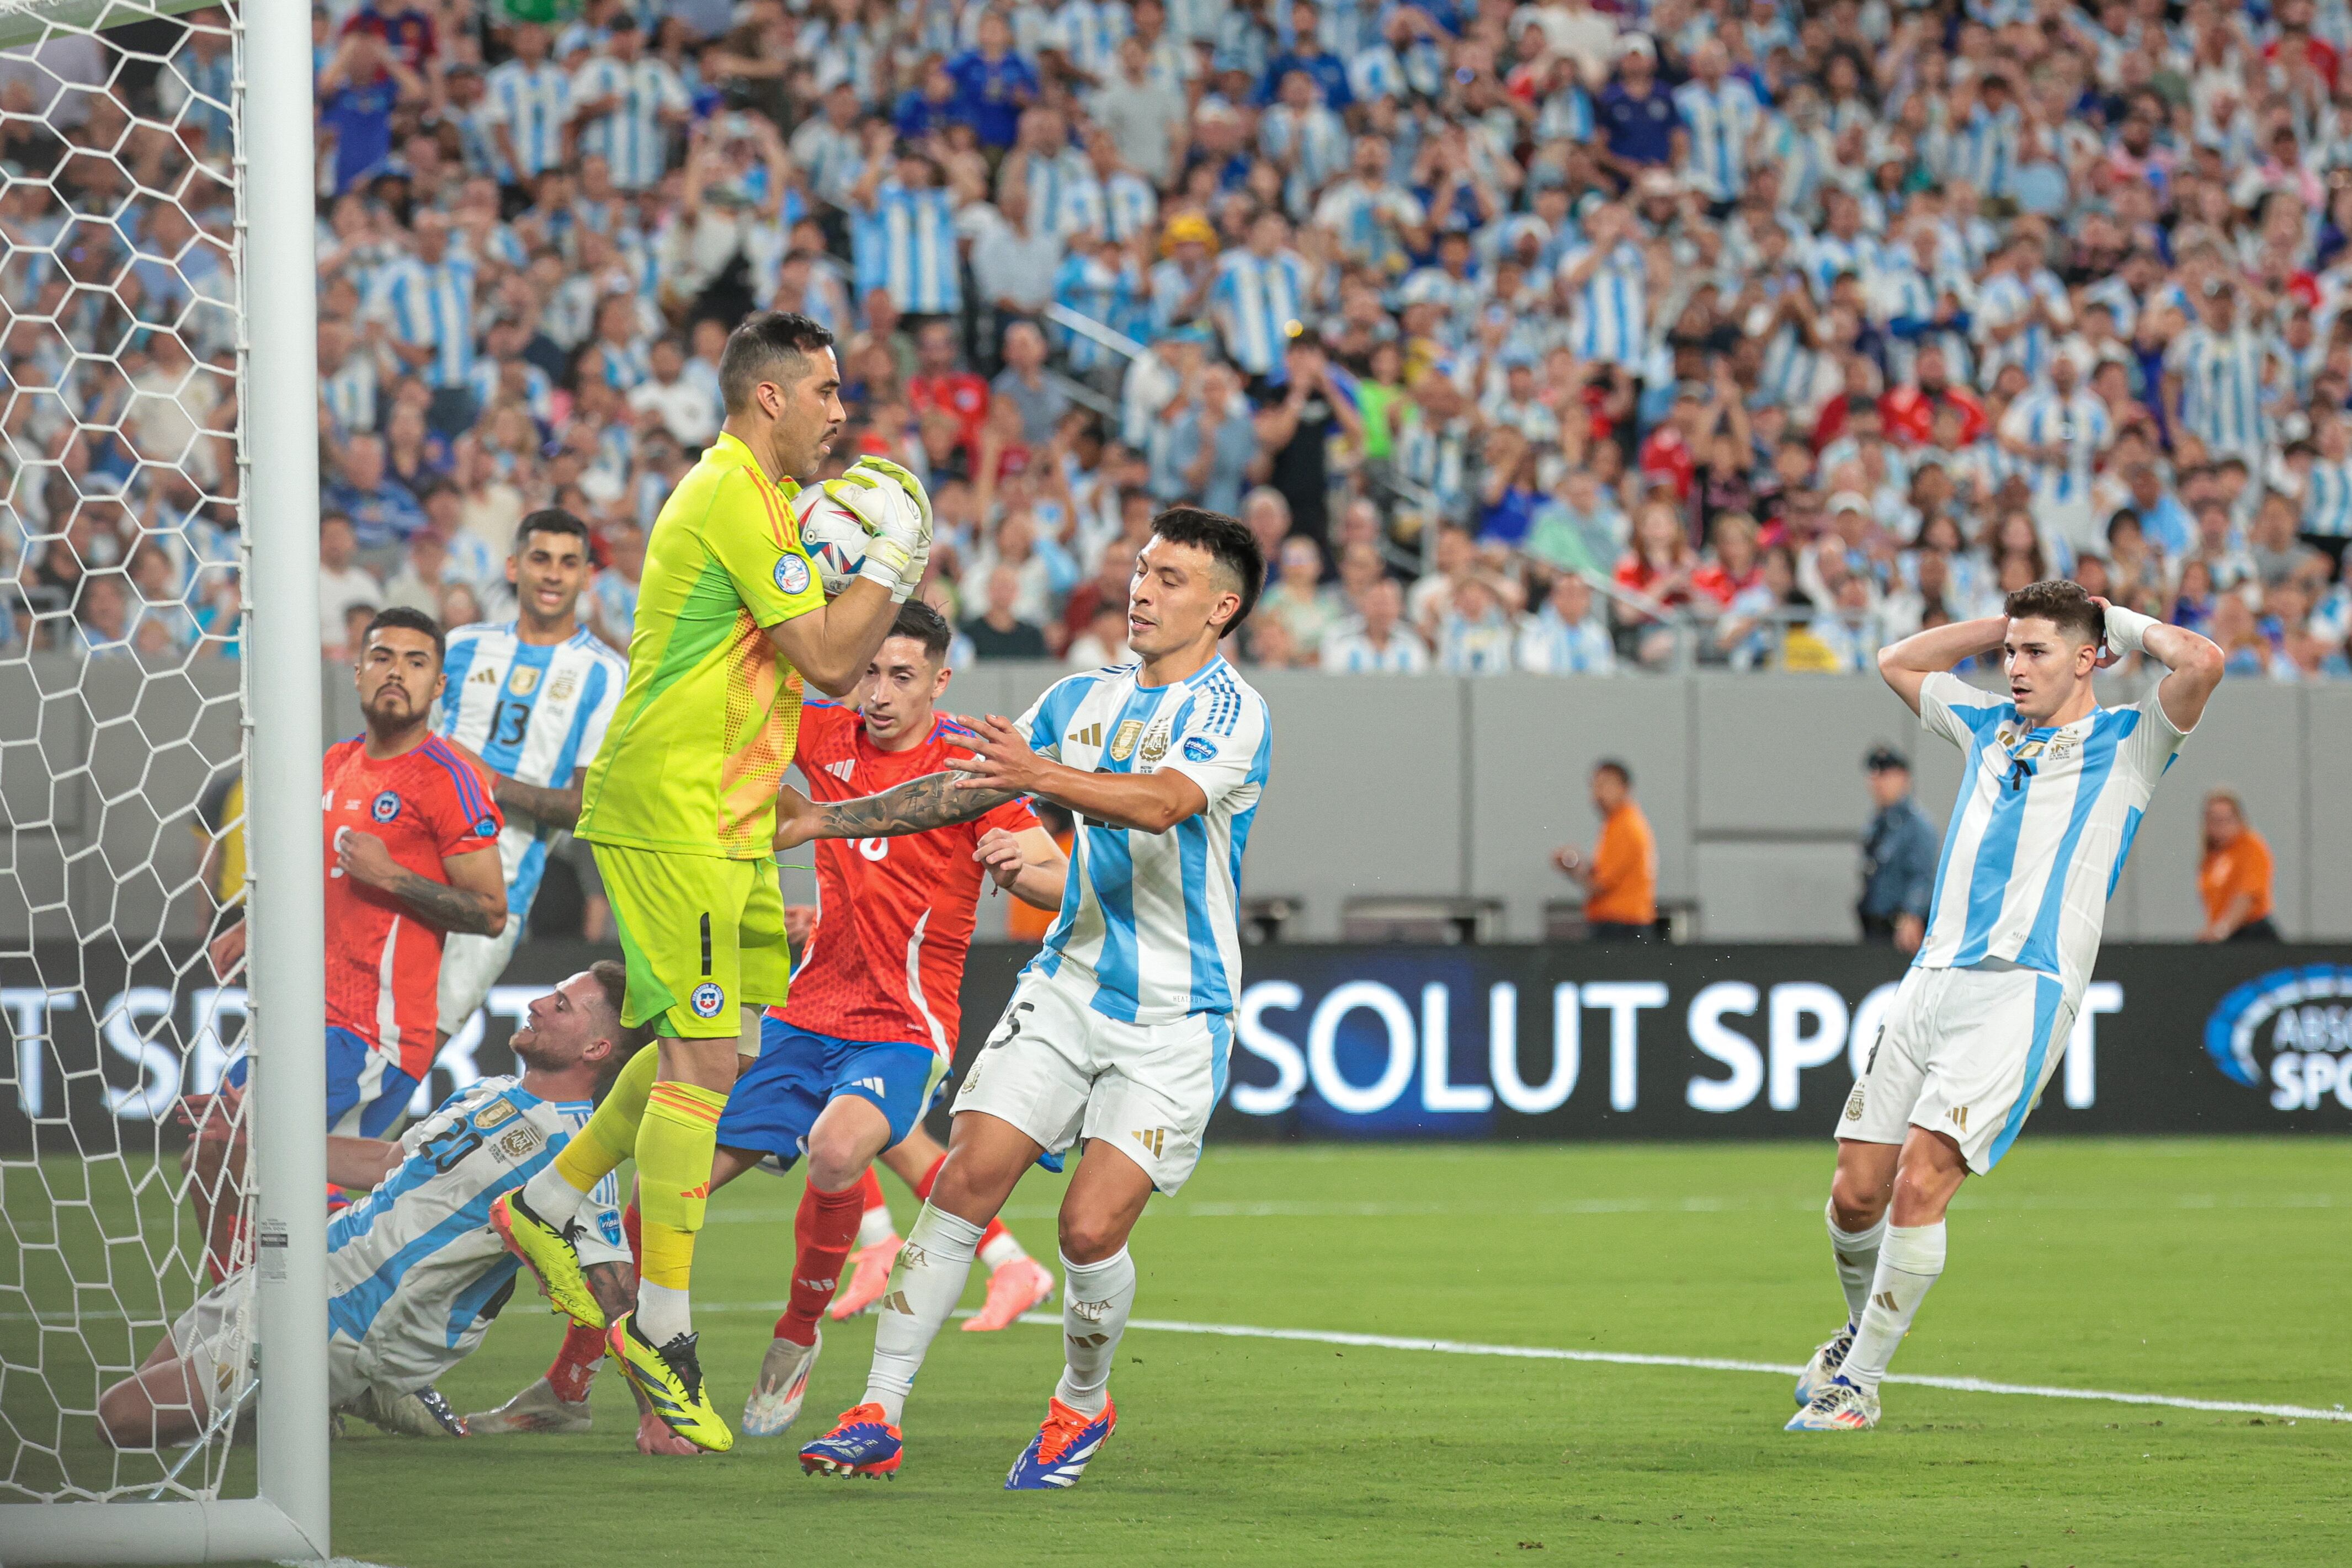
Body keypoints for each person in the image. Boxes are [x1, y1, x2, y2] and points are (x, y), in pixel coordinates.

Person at [489, 312, 933, 1455]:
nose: (843, 411)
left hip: (730, 822)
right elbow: (834, 659)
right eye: (827, 392)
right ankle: (664, 1335)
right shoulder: (731, 489)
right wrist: (894, 561)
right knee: (697, 1064)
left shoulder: (772, 504)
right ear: (771, 398)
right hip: (671, 807)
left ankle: (544, 1206)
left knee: (719, 1053)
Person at [787, 506, 1270, 1489]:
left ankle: (1082, 1403)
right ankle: (877, 1410)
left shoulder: (1231, 712)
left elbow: (1163, 803)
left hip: (1177, 1013)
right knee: (967, 1176)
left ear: (1221, 607)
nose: (1142, 587)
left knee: (1088, 1230)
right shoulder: (1076, 696)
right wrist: (826, 820)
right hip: (1068, 981)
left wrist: (1043, 778)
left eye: (1171, 578)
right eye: (1142, 568)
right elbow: (963, 789)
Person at [1790, 580, 2222, 1432]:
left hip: (2020, 991)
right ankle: (1851, 1337)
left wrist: (2115, 619)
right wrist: (2007, 623)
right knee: (1853, 1192)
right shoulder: (1987, 726)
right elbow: (1895, 659)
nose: (2014, 668)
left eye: (2035, 653)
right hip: (1930, 980)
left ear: (2088, 658)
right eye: (2010, 653)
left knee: (1921, 1182)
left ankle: (1858, 1385)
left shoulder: (2130, 741)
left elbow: (2201, 659)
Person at [690, 600, 1069, 1439]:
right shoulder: (823, 733)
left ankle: (796, 1335)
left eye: (901, 676)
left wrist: (1024, 869)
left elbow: (1054, 871)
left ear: (940, 680)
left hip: (905, 1021)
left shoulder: (967, 770)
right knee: (676, 1183)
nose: (879, 692)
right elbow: (735, 712)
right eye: (867, 670)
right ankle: (618, 1360)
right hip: (804, 1007)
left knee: (836, 1147)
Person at [100, 968, 636, 1449]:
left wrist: (655, 1412)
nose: (537, 1002)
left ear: (595, 1049)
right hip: (306, 1271)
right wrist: (262, 1132)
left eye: (562, 1004)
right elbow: (385, 1161)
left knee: (121, 1418)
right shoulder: (488, 1090)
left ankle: (332, 1391)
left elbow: (616, 1295)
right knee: (141, 1412)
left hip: (349, 1323)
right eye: (551, 991)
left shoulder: (580, 1156)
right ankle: (300, 1406)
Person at [206, 608, 507, 1137]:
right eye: (382, 658)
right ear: (358, 672)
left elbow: (491, 914)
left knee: (237, 1142)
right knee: (215, 1155)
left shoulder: (450, 780)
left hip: (374, 1035)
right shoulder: (334, 763)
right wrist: (250, 925)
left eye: (416, 663)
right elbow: (314, 878)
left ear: (438, 686)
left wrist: (391, 877)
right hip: (306, 1019)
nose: (396, 673)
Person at [432, 510, 627, 1051]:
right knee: (358, 1037)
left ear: (587, 576)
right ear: (515, 566)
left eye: (569, 563)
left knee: (417, 1050)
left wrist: (489, 782)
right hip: (409, 866)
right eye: (540, 559)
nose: (553, 574)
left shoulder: (604, 673)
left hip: (499, 891)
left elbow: (587, 805)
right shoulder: (462, 645)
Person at [1550, 760, 1656, 941]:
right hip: (1618, 924)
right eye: (1595, 786)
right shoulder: (1615, 824)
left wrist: (1573, 868)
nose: (1598, 793)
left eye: (1606, 785)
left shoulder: (1626, 827)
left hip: (1622, 927)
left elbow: (1600, 885)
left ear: (1625, 789)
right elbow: (1602, 874)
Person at [1856, 745, 1938, 952]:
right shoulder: (1878, 824)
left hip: (1899, 930)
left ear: (1903, 777)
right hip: (1874, 926)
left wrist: (1912, 915)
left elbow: (1922, 875)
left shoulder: (1916, 825)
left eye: (1885, 774)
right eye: (1874, 774)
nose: (1877, 781)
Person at [2197, 787, 2279, 942]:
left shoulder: (2251, 847)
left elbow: (2247, 896)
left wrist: (2221, 931)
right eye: (2213, 820)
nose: (2220, 827)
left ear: (2239, 820)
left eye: (2225, 820)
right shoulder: (2212, 856)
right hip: (2228, 935)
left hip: (2251, 934)